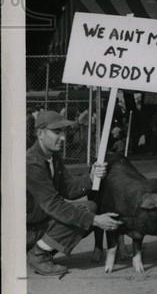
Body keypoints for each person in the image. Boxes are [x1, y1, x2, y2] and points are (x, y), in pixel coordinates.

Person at [26, 110, 122, 276]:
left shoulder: (53, 156)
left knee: (89, 207)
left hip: (39, 222)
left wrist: (91, 178)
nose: (63, 138)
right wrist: (95, 220)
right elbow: (54, 205)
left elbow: (69, 189)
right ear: (40, 133)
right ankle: (39, 255)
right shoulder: (32, 163)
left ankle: (39, 249)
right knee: (86, 216)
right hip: (24, 230)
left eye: (63, 132)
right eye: (56, 132)